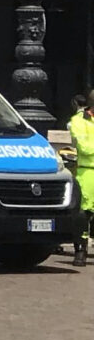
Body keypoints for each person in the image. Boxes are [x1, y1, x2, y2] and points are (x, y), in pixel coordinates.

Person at [71, 92, 94, 266]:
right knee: (84, 213)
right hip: (88, 172)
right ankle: (81, 251)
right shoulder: (78, 121)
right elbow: (85, 148)